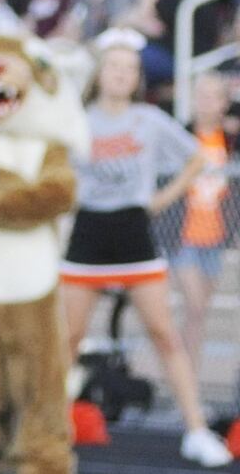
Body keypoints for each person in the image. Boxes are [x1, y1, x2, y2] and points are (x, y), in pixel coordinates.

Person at [58, 29, 230, 467]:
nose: (121, 74)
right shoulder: (76, 119)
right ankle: (49, 428)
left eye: (129, 68)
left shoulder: (149, 120)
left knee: (165, 335)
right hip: (88, 233)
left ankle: (195, 429)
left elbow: (197, 159)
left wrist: (160, 200)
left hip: (135, 232)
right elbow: (54, 166)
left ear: (137, 77)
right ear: (100, 72)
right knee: (68, 339)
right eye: (114, 66)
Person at [173, 72, 233, 382]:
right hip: (184, 236)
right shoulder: (180, 135)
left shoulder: (230, 140)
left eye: (213, 96)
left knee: (198, 314)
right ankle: (184, 375)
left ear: (224, 103)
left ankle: (188, 376)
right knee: (194, 306)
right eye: (201, 95)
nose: (206, 102)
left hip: (216, 236)